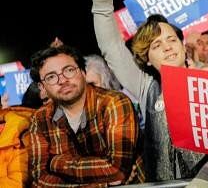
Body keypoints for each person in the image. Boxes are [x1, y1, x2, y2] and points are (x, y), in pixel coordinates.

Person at [85, 0, 208, 184]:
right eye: (157, 45)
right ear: (147, 59)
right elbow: (110, 45)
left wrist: (204, 179)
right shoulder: (147, 88)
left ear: (182, 44)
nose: (168, 48)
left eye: (171, 39)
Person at [28, 45, 144, 187]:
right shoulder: (40, 119)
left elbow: (117, 171)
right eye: (51, 76)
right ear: (42, 87)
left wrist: (55, 162)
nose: (62, 80)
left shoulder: (114, 103)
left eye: (69, 70)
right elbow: (40, 179)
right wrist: (99, 184)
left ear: (83, 72)